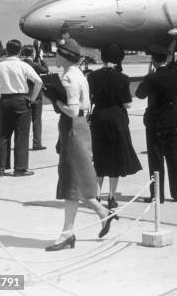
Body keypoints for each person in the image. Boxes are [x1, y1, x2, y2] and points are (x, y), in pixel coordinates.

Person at [45, 38, 117, 251]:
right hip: (80, 127)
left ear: (65, 56)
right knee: (74, 180)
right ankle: (101, 214)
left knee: (71, 180)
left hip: (73, 127)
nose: (54, 56)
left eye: (57, 53)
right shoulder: (78, 74)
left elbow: (73, 110)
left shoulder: (68, 78)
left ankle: (68, 234)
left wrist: (55, 99)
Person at [88, 44, 142, 209]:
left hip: (98, 117)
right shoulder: (123, 78)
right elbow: (127, 104)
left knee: (99, 157)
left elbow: (90, 99)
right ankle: (111, 196)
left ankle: (96, 195)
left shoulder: (92, 76)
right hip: (116, 119)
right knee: (115, 158)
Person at [0, 39, 42, 176]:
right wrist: (32, 99)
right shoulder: (23, 65)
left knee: (4, 134)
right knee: (21, 135)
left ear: (6, 51)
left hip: (5, 101)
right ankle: (19, 168)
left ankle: (1, 168)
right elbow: (38, 81)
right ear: (19, 51)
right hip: (21, 99)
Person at [136, 52, 177, 203]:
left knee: (156, 160)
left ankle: (158, 195)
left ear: (153, 60)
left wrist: (148, 75)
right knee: (174, 158)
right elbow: (175, 67)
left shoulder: (153, 77)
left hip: (156, 122)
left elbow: (140, 94)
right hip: (173, 120)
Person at [22, 44, 49, 151]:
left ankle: (22, 144)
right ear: (33, 53)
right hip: (36, 95)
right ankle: (36, 143)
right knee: (36, 121)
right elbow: (45, 70)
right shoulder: (34, 65)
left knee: (23, 122)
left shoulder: (21, 64)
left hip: (23, 95)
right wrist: (41, 58)